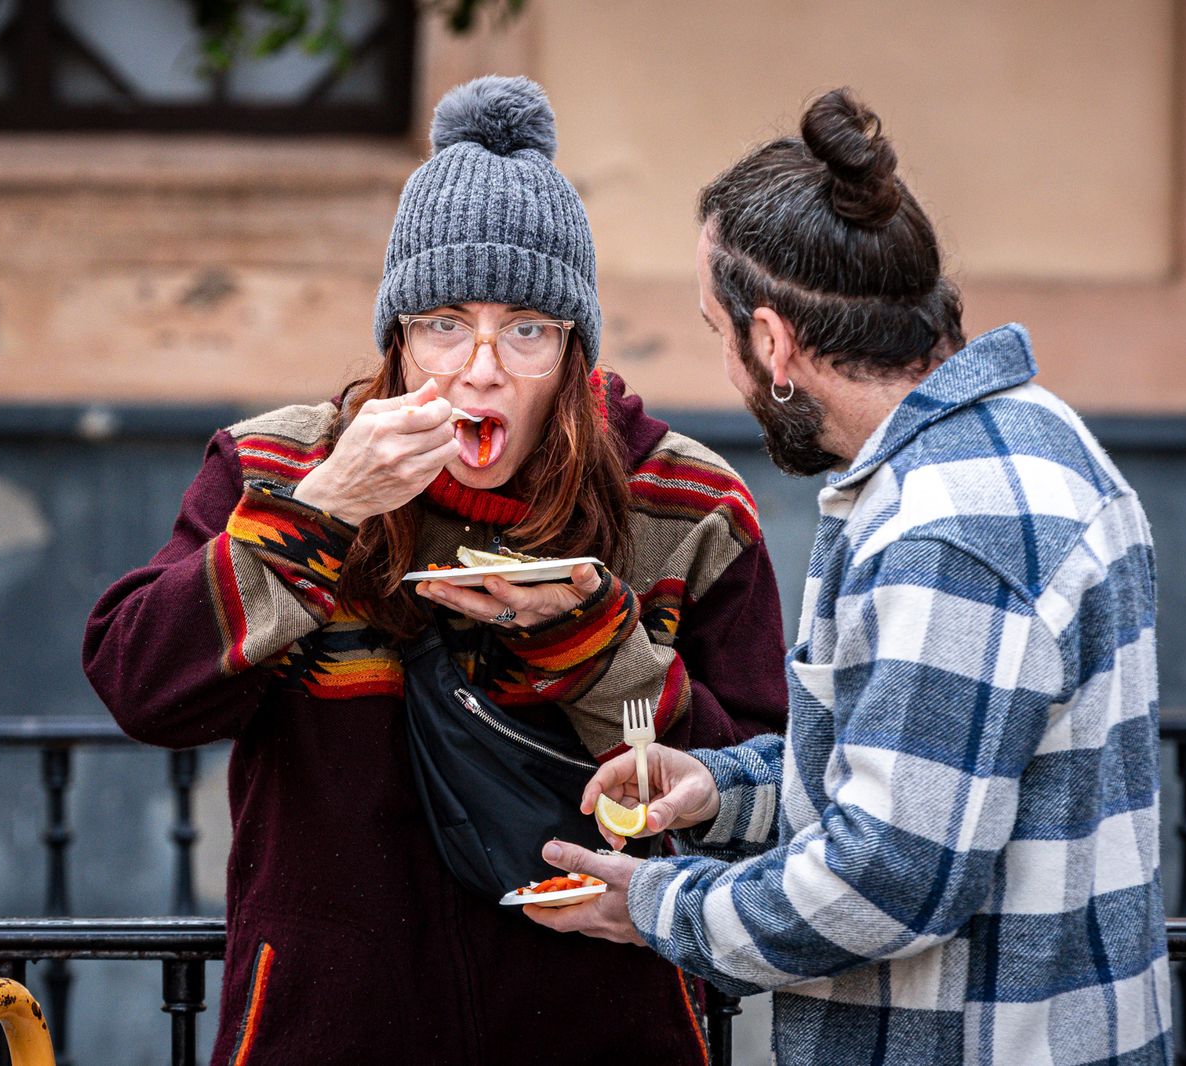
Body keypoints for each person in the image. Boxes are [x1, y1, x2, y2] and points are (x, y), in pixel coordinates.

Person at [83, 75, 789, 1064]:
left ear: (576, 351)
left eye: (528, 329)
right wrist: (323, 512)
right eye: (445, 323)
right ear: (398, 339)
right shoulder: (279, 466)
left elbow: (759, 808)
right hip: (329, 1025)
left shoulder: (681, 503)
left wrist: (589, 642)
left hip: (594, 1024)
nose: (481, 367)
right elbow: (140, 686)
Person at [526, 88, 1173, 1064]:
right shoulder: (1035, 439)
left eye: (721, 332)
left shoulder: (946, 531)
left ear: (774, 342)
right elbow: (918, 779)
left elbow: (885, 880)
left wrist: (657, 904)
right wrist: (719, 786)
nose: (735, 375)